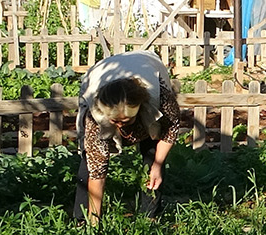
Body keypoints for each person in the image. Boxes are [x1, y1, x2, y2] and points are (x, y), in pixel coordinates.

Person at [73, 50, 187, 222]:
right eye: (115, 121)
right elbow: (97, 173)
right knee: (90, 160)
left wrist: (157, 164)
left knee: (152, 150)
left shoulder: (161, 98)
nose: (120, 125)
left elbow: (170, 129)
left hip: (147, 67)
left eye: (126, 120)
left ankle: (150, 217)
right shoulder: (94, 117)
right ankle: (83, 220)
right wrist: (94, 224)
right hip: (99, 77)